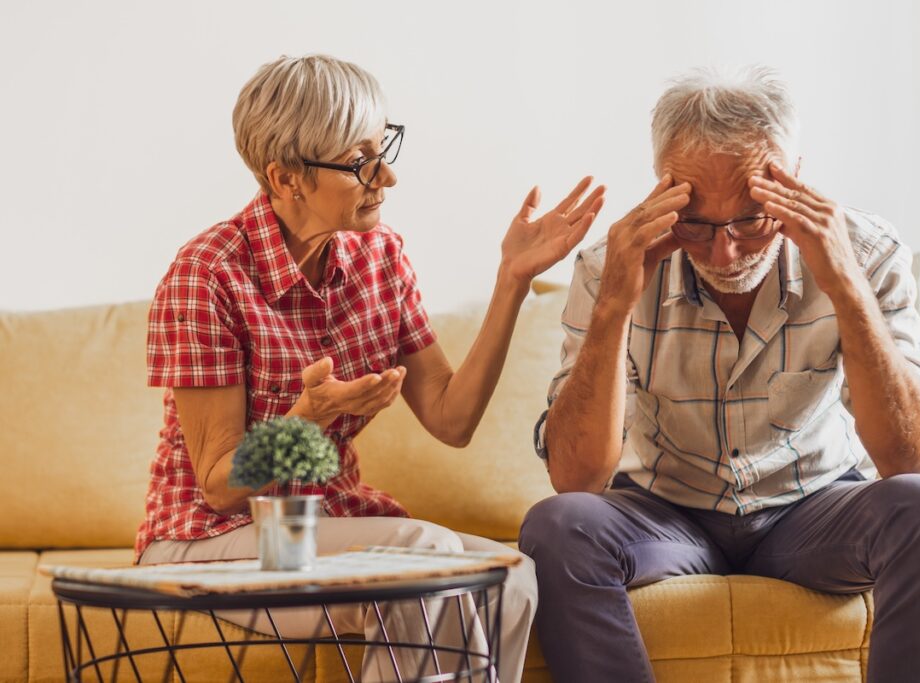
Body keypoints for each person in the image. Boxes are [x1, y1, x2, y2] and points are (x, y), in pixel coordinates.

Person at [135, 54, 604, 683]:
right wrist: (304, 421)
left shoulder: (378, 255)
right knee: (423, 560)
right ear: (286, 178)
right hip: (205, 540)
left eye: (383, 148)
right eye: (360, 161)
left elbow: (451, 416)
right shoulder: (208, 274)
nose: (386, 176)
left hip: (315, 524)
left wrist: (513, 280)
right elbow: (219, 484)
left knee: (511, 577)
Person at [519, 65, 920, 683]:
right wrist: (615, 306)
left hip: (813, 507)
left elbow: (907, 459)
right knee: (557, 525)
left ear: (793, 181)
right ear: (662, 191)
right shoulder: (609, 268)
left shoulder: (868, 253)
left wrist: (844, 286)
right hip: (666, 511)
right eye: (697, 224)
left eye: (752, 219)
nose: (724, 253)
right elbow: (575, 477)